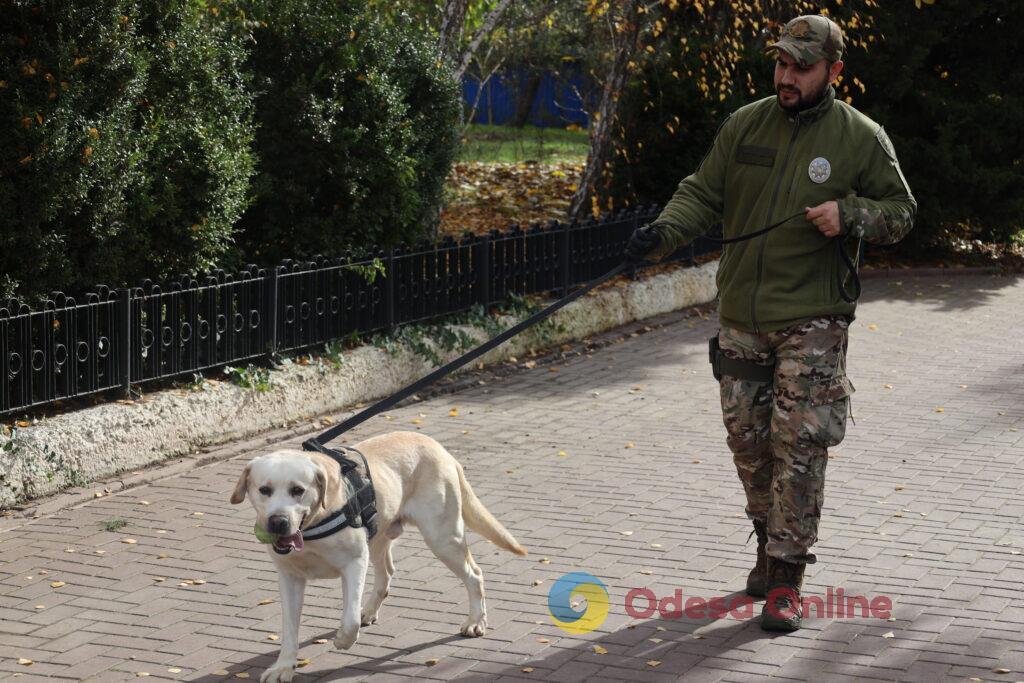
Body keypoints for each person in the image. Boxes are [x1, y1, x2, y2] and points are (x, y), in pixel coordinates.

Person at [624, 14, 916, 632]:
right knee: (750, 445)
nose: (786, 76)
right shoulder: (746, 124)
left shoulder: (861, 137)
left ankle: (786, 576)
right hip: (741, 316)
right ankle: (768, 538)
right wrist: (661, 236)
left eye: (801, 67)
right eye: (781, 63)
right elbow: (702, 192)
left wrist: (852, 214)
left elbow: (902, 212)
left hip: (812, 319)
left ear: (834, 72)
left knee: (800, 447)